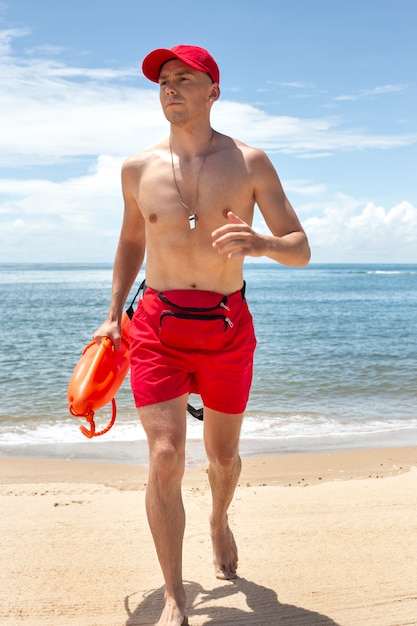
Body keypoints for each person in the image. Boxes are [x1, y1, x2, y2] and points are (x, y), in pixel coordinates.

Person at [94, 44, 310, 626]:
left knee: (223, 457)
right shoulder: (137, 169)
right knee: (165, 457)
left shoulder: (250, 162)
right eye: (163, 80)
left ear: (213, 91)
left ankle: (218, 518)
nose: (170, 87)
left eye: (184, 78)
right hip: (157, 327)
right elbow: (131, 243)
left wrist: (262, 244)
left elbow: (301, 248)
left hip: (226, 327)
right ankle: (174, 594)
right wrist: (114, 313)